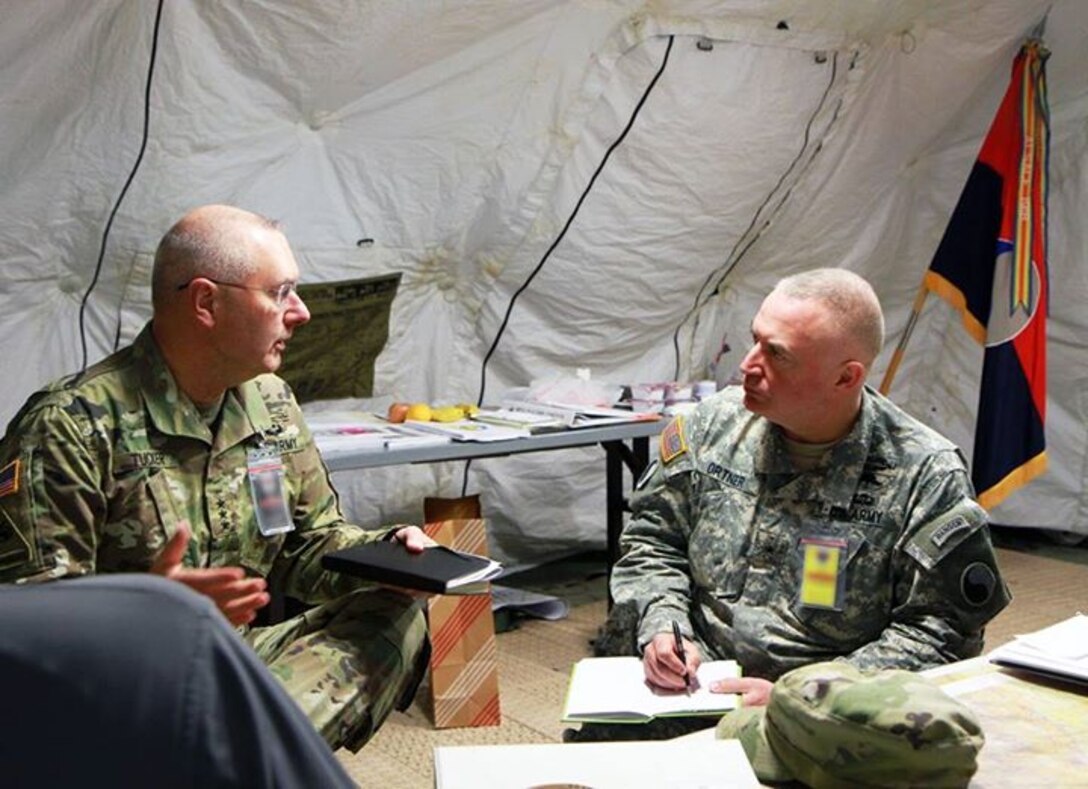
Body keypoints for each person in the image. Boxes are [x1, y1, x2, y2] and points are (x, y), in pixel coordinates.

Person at [0, 204, 430, 753]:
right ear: (207, 302)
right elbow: (25, 632)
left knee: (394, 611)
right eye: (280, 292)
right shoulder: (70, 425)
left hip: (230, 660)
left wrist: (391, 553)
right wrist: (145, 609)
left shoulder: (270, 404)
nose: (300, 313)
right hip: (117, 682)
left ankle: (225, 756)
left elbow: (311, 545)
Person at [582, 268, 1010, 739]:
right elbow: (652, 542)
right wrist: (665, 627)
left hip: (830, 717)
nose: (748, 364)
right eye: (755, 340)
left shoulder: (922, 474)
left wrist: (808, 693)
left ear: (845, 377)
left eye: (777, 354)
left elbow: (942, 630)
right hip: (689, 689)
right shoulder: (708, 431)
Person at [0, 574, 358, 788]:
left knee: (384, 611)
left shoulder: (274, 444)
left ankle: (245, 744)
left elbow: (311, 537)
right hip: (131, 661)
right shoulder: (69, 446)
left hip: (231, 638)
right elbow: (40, 597)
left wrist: (388, 544)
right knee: (179, 627)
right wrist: (138, 601)